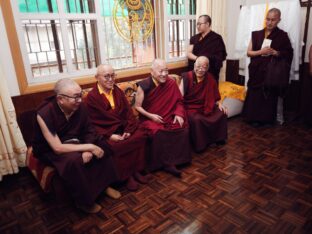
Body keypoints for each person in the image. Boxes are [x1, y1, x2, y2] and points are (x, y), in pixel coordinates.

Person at [32, 78, 120, 214]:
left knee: (103, 145)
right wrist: (88, 147)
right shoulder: (44, 113)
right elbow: (57, 148)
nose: (80, 99)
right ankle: (84, 202)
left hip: (75, 140)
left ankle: (103, 186)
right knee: (74, 160)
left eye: (81, 95)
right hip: (49, 148)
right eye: (75, 97)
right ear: (60, 99)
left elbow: (89, 129)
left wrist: (89, 147)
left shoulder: (80, 106)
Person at [85, 64, 149, 191]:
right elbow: (92, 124)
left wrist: (128, 131)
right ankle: (126, 177)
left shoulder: (117, 90)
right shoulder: (92, 97)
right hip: (107, 132)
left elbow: (128, 113)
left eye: (113, 75)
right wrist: (109, 135)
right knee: (117, 146)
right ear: (97, 77)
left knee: (140, 135)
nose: (110, 79)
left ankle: (136, 171)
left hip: (124, 128)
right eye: (106, 76)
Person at [135, 59, 191, 177]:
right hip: (149, 119)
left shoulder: (170, 83)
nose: (164, 74)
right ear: (152, 72)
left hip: (168, 115)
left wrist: (179, 114)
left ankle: (178, 160)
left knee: (182, 127)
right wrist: (151, 116)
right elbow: (137, 107)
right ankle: (166, 164)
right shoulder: (143, 86)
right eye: (161, 71)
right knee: (159, 132)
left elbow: (179, 101)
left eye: (166, 70)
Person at [243, 8, 293, 126]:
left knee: (269, 96)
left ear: (278, 20)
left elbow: (289, 53)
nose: (269, 22)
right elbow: (249, 53)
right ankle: (252, 118)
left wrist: (277, 53)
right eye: (268, 19)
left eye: (273, 20)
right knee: (255, 95)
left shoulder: (282, 36)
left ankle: (266, 120)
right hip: (256, 70)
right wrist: (261, 51)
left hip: (271, 72)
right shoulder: (256, 34)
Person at [180, 56, 228, 152]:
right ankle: (201, 144)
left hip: (206, 105)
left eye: (204, 67)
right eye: (198, 66)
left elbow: (214, 95)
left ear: (207, 68)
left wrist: (219, 103)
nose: (200, 70)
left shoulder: (210, 78)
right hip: (190, 108)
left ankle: (218, 138)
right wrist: (179, 111)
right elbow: (179, 96)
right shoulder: (187, 77)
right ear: (194, 65)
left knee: (222, 113)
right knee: (197, 119)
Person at [187, 14, 227, 82]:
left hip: (210, 71)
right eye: (197, 24)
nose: (198, 26)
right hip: (196, 71)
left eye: (200, 24)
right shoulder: (194, 38)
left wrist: (205, 60)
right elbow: (188, 53)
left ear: (207, 24)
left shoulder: (216, 38)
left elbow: (221, 57)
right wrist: (199, 60)